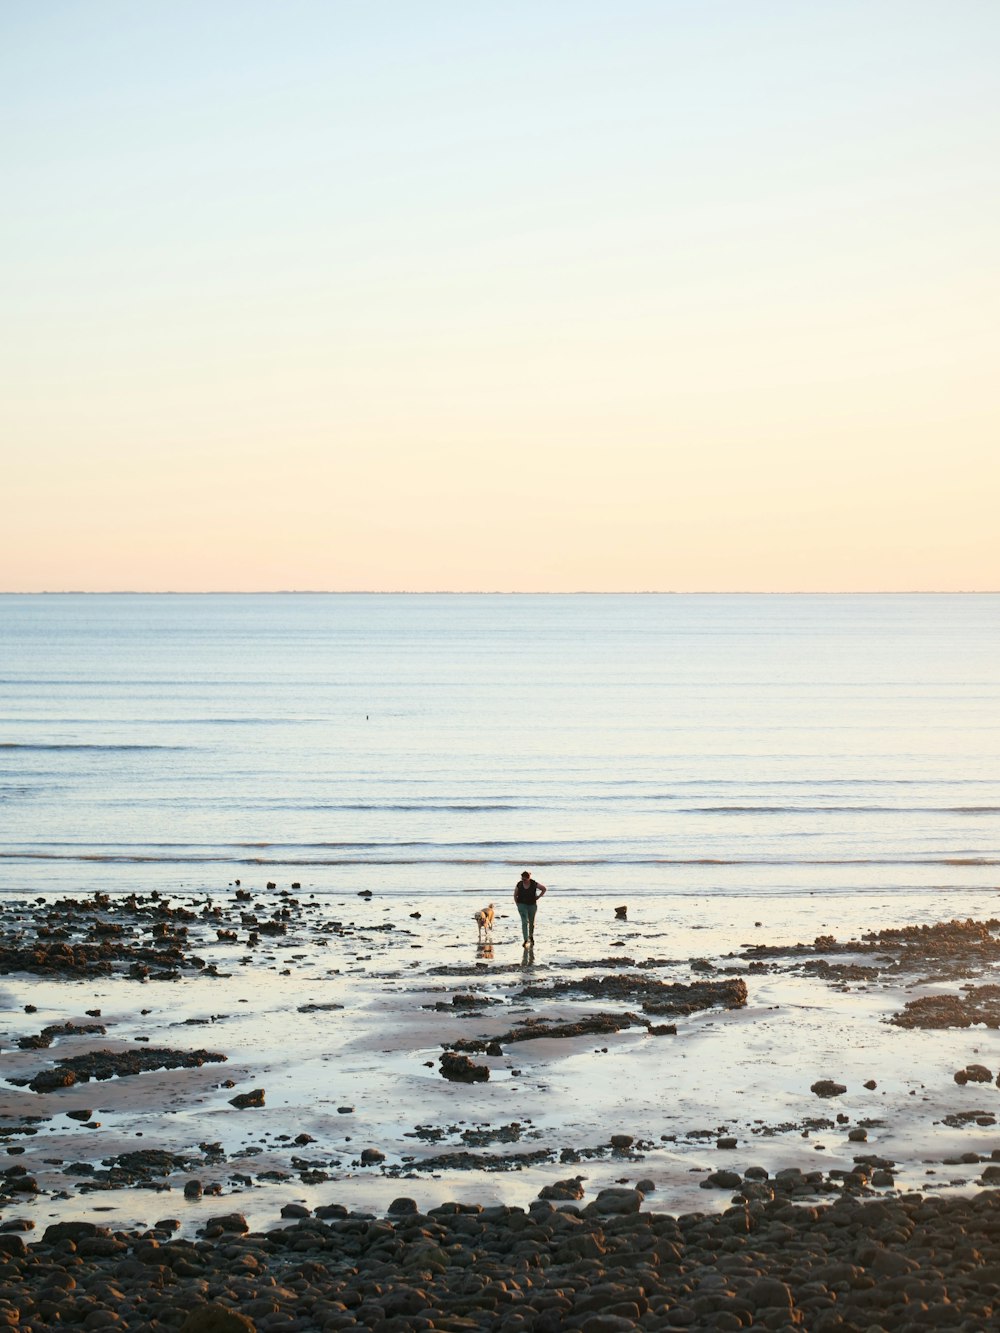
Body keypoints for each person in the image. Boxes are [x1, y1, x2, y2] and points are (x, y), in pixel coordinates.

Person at [514, 870, 546, 945]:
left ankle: (531, 936)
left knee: (531, 923)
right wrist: (517, 904)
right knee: (524, 922)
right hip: (522, 904)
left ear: (528, 878)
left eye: (525, 879)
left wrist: (538, 897)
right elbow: (515, 895)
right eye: (522, 879)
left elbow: (544, 889)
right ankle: (525, 939)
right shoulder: (519, 884)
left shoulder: (534, 883)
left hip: (532, 905)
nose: (523, 880)